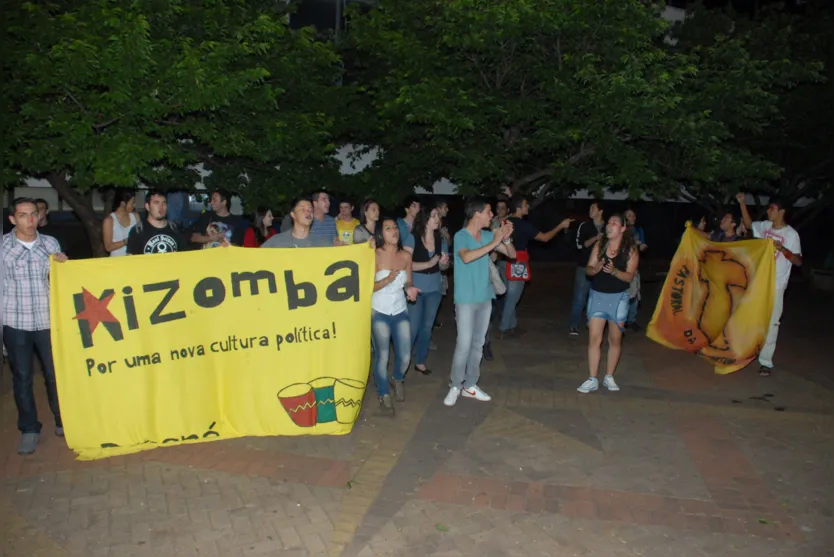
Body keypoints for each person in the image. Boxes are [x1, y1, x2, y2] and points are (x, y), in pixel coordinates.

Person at [3, 197, 69, 455]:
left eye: (33, 215)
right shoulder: (3, 248)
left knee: (55, 374)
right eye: (23, 215)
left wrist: (63, 265)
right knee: (22, 377)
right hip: (15, 321)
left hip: (46, 320)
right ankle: (29, 428)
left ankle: (63, 420)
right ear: (12, 219)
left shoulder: (50, 244)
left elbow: (60, 281)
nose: (29, 220)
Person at [444, 198, 516, 407]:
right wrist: (495, 241)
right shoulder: (461, 236)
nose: (491, 215)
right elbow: (467, 257)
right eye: (488, 212)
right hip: (466, 299)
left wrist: (507, 238)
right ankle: (455, 385)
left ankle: (470, 384)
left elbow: (511, 254)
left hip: (485, 298)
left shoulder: (487, 235)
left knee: (478, 343)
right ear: (476, 214)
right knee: (464, 344)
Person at [737, 193, 802, 377]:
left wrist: (782, 249)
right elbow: (750, 225)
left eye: (772, 208)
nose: (768, 211)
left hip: (776, 285)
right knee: (750, 318)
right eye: (769, 208)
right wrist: (742, 203)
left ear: (781, 211)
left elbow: (798, 261)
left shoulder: (791, 234)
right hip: (759, 282)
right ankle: (745, 351)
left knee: (772, 323)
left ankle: (765, 362)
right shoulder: (765, 226)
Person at [577, 213, 639, 394]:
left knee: (614, 339)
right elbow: (588, 270)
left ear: (622, 229)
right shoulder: (600, 245)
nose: (609, 225)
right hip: (597, 296)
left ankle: (609, 376)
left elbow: (629, 276)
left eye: (614, 223)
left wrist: (613, 271)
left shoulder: (630, 250)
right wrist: (594, 269)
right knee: (594, 338)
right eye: (609, 222)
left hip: (619, 298)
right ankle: (592, 378)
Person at [500, 195, 572, 337]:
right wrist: (560, 226)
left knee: (509, 296)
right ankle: (504, 329)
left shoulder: (505, 222)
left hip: (503, 261)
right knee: (513, 298)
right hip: (517, 262)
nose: (528, 207)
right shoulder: (522, 225)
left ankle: (512, 325)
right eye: (526, 205)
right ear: (519, 208)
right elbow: (545, 238)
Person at [371, 218, 420, 415]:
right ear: (381, 233)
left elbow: (408, 281)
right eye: (388, 228)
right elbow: (367, 287)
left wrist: (410, 289)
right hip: (379, 310)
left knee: (406, 355)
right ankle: (383, 394)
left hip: (400, 310)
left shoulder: (406, 255)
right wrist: (388, 279)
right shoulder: (373, 255)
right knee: (382, 355)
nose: (394, 231)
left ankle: (397, 378)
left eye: (395, 228)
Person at [409, 206, 449, 376]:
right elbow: (405, 264)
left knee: (426, 328)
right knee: (413, 327)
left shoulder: (441, 239)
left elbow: (443, 266)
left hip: (434, 288)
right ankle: (403, 360)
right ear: (425, 219)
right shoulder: (412, 238)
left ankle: (420, 361)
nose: (437, 218)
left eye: (438, 215)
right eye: (433, 215)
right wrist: (428, 264)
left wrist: (444, 263)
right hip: (416, 288)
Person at [569, 201, 605, 335]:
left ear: (600, 211)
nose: (590, 210)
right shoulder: (584, 226)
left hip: (602, 269)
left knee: (597, 298)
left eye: (593, 208)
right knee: (580, 297)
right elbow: (579, 245)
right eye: (590, 208)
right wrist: (596, 238)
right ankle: (574, 325)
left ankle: (594, 325)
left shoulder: (608, 227)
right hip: (584, 267)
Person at [126, 190, 191, 255]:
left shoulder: (175, 229)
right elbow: (131, 260)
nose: (161, 206)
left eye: (164, 203)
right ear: (147, 206)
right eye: (156, 203)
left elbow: (184, 255)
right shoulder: (138, 231)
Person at [262, 196, 333, 248]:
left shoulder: (323, 245)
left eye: (310, 209)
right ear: (293, 215)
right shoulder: (276, 243)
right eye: (302, 209)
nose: (308, 212)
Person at [623, 209, 648, 331]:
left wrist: (642, 246)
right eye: (629, 215)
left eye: (633, 215)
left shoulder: (639, 230)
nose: (632, 217)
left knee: (635, 295)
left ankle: (631, 320)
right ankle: (621, 319)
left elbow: (642, 245)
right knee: (625, 294)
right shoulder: (622, 230)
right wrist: (633, 242)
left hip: (635, 267)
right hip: (623, 267)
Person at [102, 190, 138, 256]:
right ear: (122, 204)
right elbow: (108, 247)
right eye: (132, 203)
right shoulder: (109, 220)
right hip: (117, 262)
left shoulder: (135, 216)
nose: (134, 205)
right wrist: (126, 241)